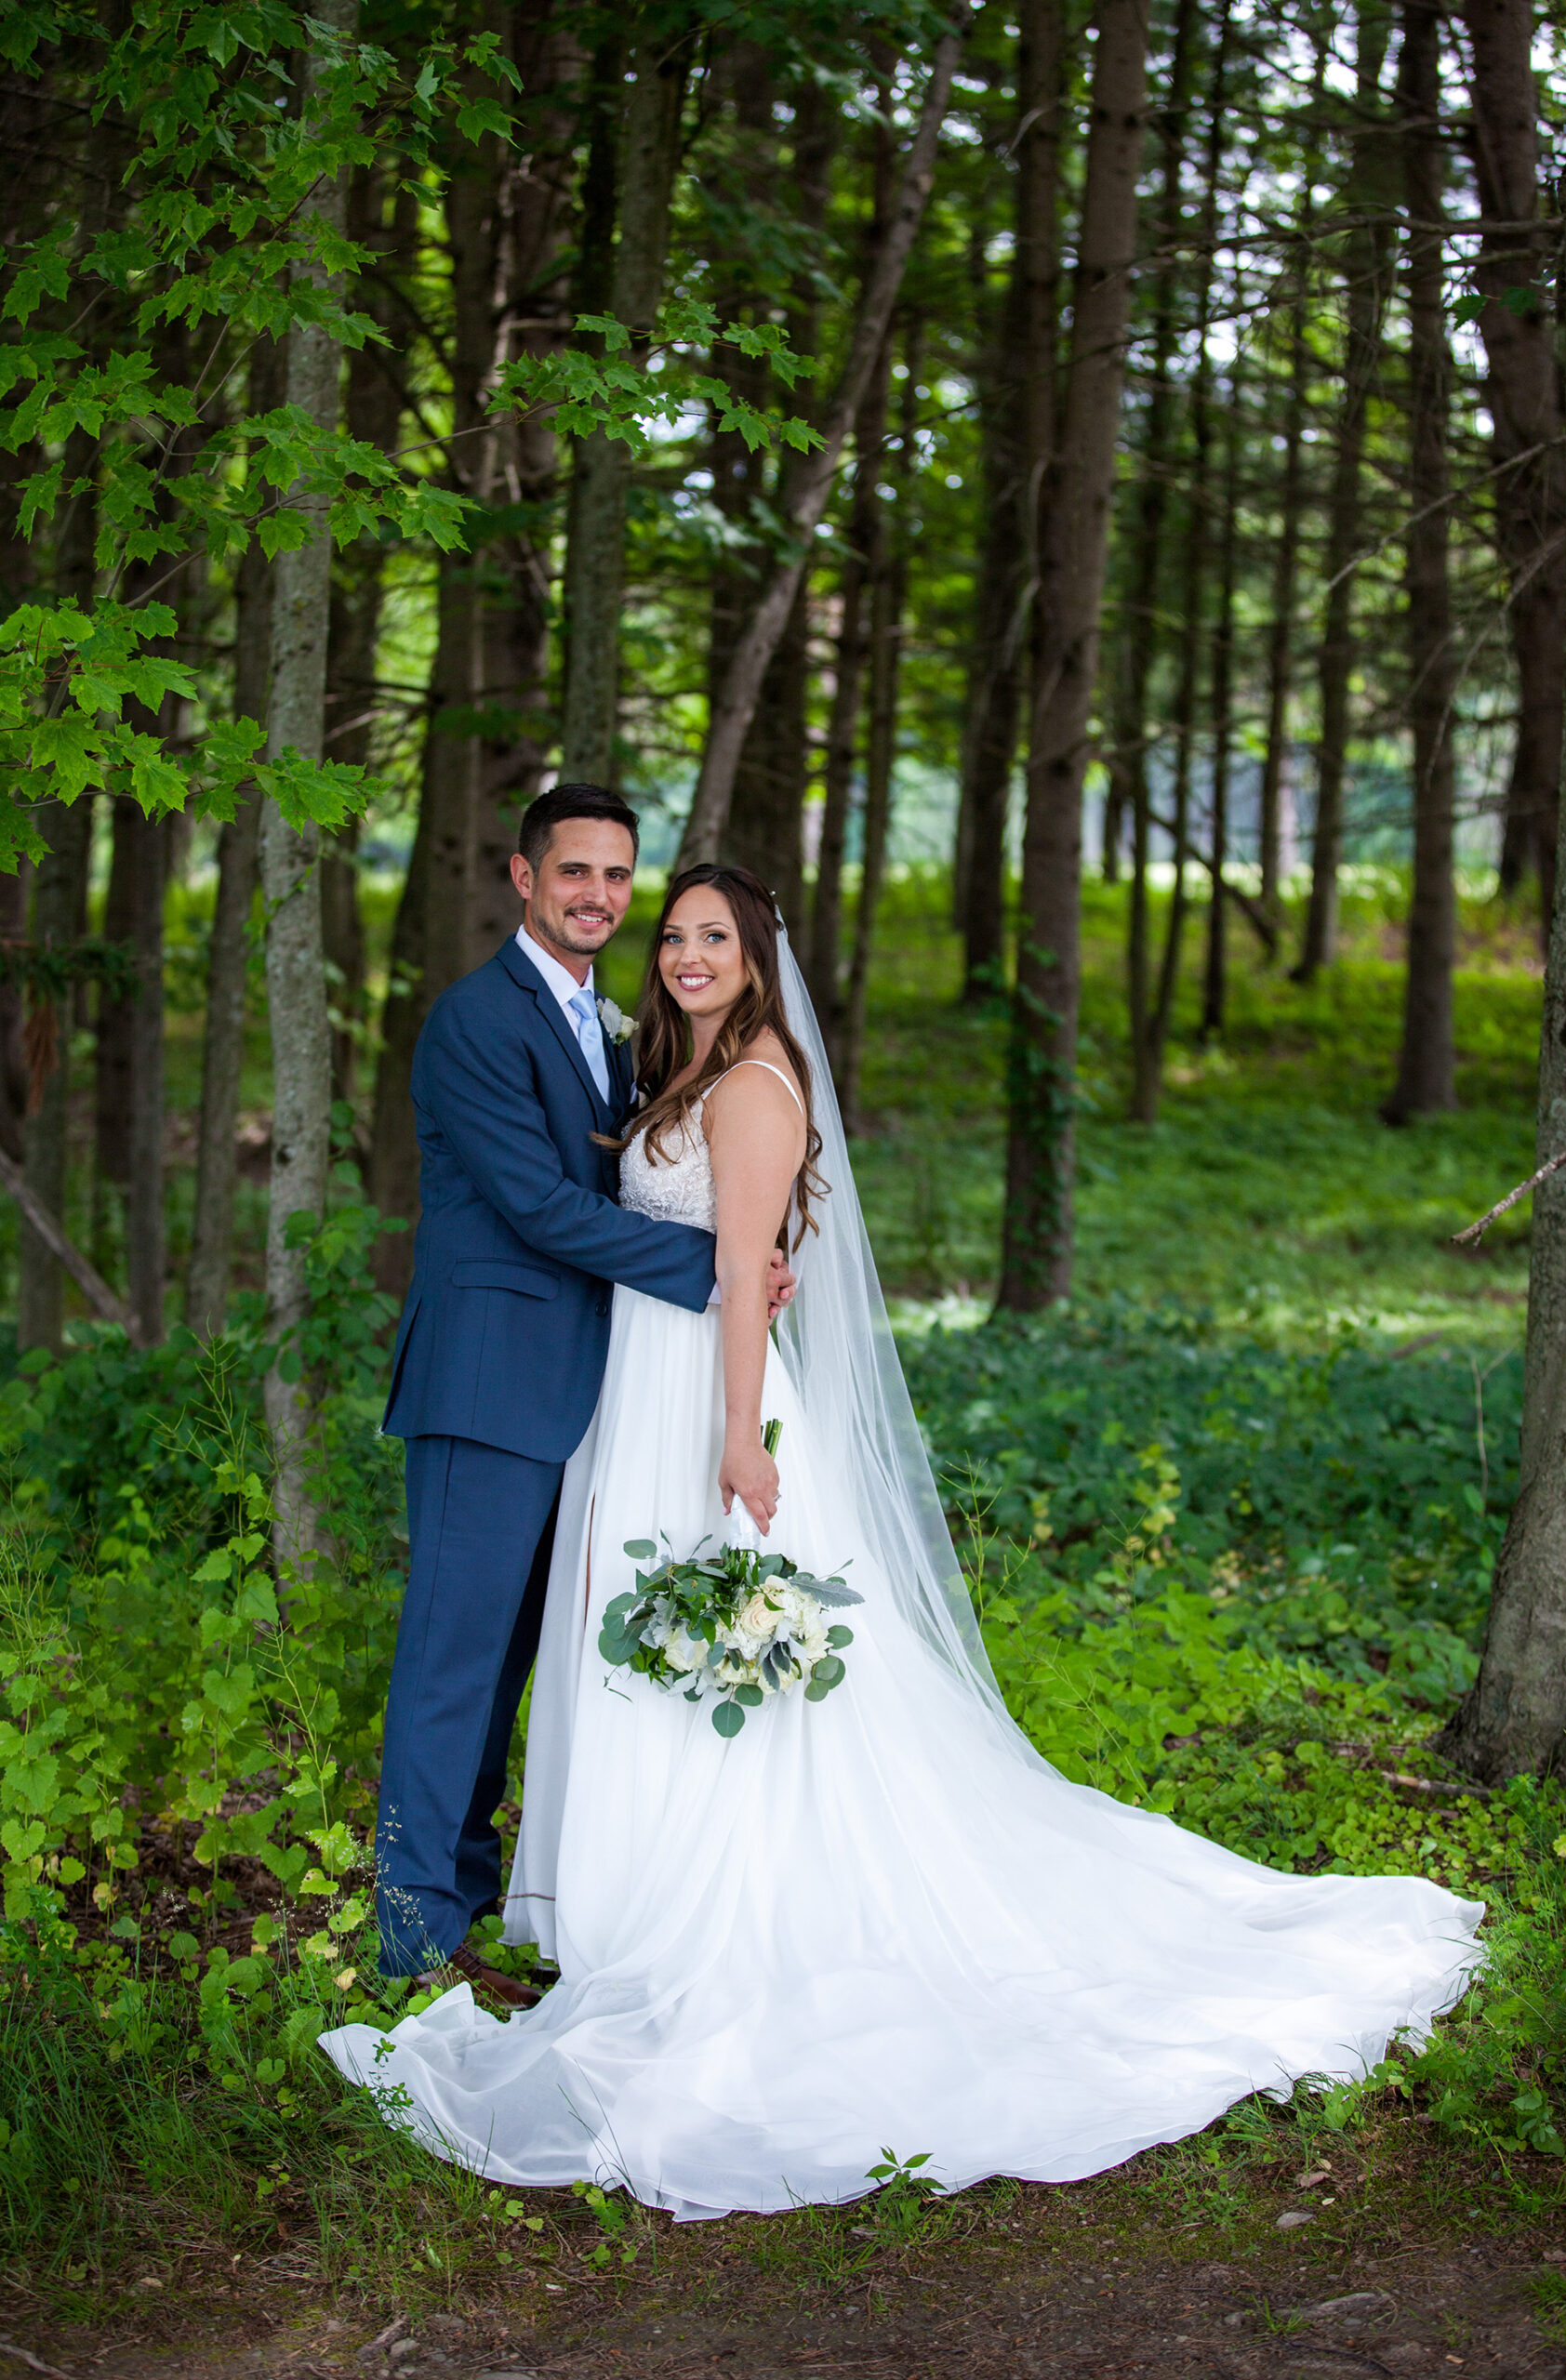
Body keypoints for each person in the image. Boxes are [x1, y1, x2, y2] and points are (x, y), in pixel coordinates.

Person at [325, 865, 1483, 2219]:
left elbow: (739, 1280)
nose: (688, 956)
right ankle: (619, 1911)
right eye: (676, 937)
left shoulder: (754, 1087)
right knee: (626, 1649)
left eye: (715, 938)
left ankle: (704, 1914)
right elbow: (655, 1230)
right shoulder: (668, 1074)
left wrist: (742, 1437)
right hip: (628, 1400)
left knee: (712, 1664)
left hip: (707, 1400)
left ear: (760, 961)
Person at [372, 791, 793, 1998]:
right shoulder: (475, 1024)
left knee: (509, 1661)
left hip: (584, 1395)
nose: (598, 895)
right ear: (522, 875)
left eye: (617, 876)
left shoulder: (606, 1028)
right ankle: (410, 1935)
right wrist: (718, 1275)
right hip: (487, 1385)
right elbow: (542, 1208)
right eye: (574, 872)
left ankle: (465, 1886)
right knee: (455, 1659)